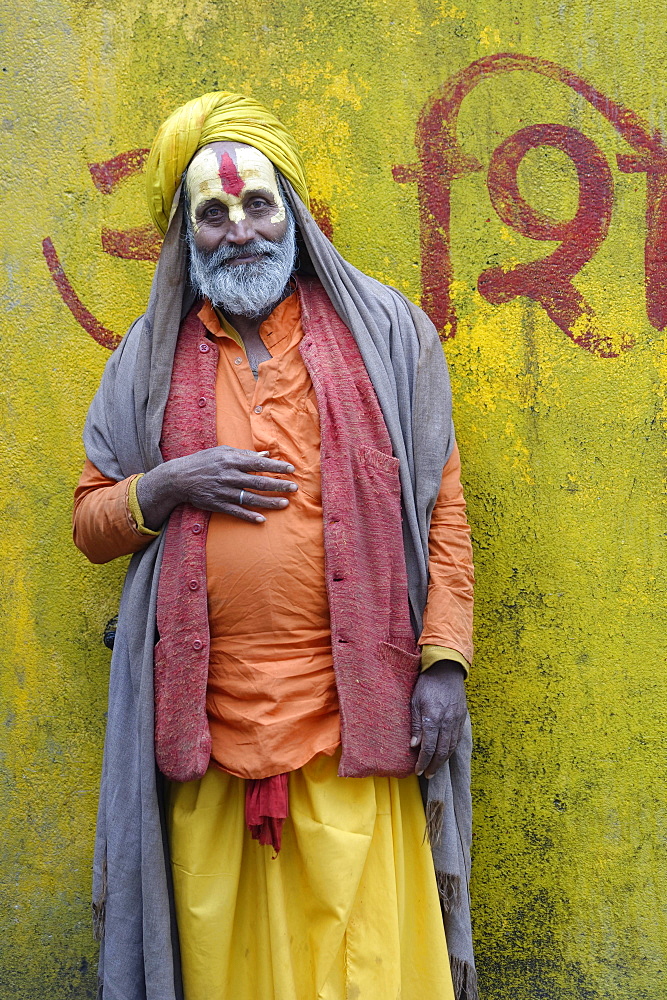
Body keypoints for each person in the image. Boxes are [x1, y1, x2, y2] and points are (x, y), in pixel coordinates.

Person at [73, 92, 476, 1000]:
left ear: (291, 209)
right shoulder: (147, 362)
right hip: (207, 741)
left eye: (258, 204)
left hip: (357, 727)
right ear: (185, 233)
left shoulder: (389, 337)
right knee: (228, 973)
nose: (240, 230)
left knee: (369, 970)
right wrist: (168, 484)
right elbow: (91, 522)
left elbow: (442, 515)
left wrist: (444, 661)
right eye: (211, 214)